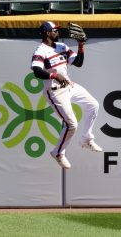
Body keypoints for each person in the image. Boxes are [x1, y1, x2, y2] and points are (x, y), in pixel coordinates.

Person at [30, 21, 102, 169]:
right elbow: (37, 71)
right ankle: (58, 152)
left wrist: (81, 45)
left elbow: (78, 63)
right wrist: (54, 76)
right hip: (55, 91)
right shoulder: (40, 50)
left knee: (93, 105)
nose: (58, 32)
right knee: (71, 124)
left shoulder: (62, 47)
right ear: (47, 33)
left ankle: (86, 138)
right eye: (55, 30)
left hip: (69, 86)